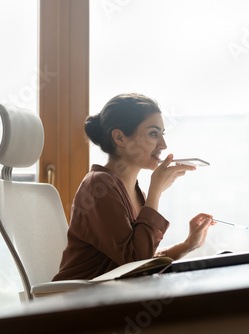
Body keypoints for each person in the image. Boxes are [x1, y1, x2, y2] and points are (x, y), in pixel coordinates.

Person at [53, 93, 216, 281]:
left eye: (162, 134)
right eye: (153, 133)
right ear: (120, 138)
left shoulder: (136, 192)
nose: (163, 145)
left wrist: (188, 244)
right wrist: (156, 191)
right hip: (81, 302)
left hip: (113, 295)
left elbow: (140, 261)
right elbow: (135, 259)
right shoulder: (99, 185)